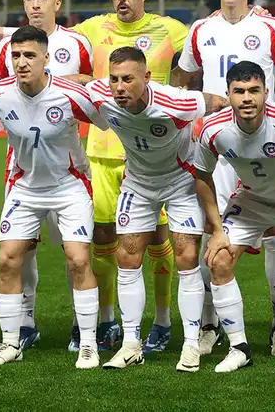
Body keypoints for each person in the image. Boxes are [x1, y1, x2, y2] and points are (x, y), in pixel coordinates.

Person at [173, 0, 275, 359]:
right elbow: (183, 76)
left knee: (273, 236)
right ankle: (210, 324)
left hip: (263, 145)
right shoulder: (200, 30)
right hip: (218, 146)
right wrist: (184, 110)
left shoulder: (271, 27)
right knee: (210, 234)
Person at [68, 0, 190, 354]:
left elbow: (213, 36)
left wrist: (255, 13)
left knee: (157, 239)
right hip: (103, 152)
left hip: (155, 155)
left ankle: (163, 320)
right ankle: (107, 320)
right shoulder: (92, 28)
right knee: (104, 238)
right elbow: (51, 37)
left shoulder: (170, 29)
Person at [84, 46, 226, 372]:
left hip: (181, 181)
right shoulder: (101, 95)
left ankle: (191, 344)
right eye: (115, 79)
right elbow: (80, 84)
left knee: (186, 257)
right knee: (127, 257)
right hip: (139, 183)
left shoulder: (177, 102)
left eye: (128, 80)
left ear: (146, 78)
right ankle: (131, 344)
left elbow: (219, 101)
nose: (119, 87)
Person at [0, 26, 104, 369]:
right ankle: (11, 342)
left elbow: (110, 121)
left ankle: (89, 343)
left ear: (47, 58)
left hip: (69, 186)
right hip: (25, 187)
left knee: (78, 260)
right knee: (8, 259)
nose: (22, 62)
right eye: (16, 56)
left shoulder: (70, 94)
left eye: (30, 55)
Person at [194, 60, 275, 375]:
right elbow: (201, 176)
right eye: (239, 91)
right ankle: (239, 348)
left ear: (267, 92)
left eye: (254, 90)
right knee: (218, 259)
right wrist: (215, 229)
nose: (247, 98)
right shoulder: (214, 129)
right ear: (228, 94)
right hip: (252, 201)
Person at [0, 0, 94, 351]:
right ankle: (25, 322)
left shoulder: (77, 43)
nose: (34, 4)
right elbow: (2, 97)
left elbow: (93, 92)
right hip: (22, 164)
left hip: (66, 162)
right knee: (21, 249)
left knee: (75, 252)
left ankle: (82, 327)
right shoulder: (8, 47)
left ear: (57, 3)